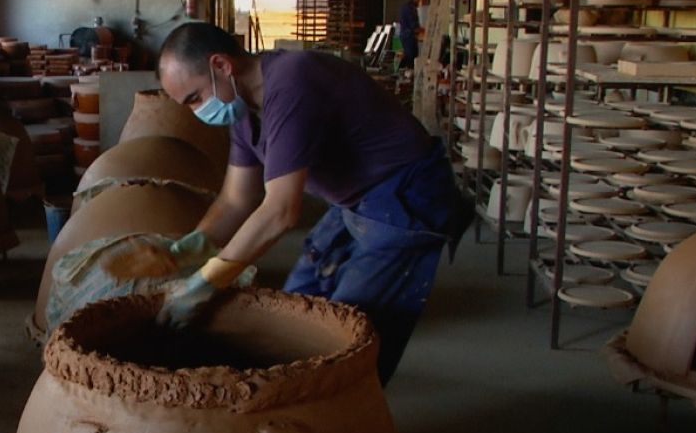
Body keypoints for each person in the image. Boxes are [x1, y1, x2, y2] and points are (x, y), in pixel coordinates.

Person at [155, 22, 471, 386]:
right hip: (354, 200)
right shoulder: (243, 111)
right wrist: (190, 247)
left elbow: (281, 211)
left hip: (405, 193)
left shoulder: (292, 82)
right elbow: (236, 199)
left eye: (194, 98)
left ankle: (341, 422)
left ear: (222, 66)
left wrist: (207, 281)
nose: (196, 111)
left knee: (351, 333)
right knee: (298, 306)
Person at [397, 0, 426, 70]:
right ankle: (408, 72)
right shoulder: (410, 9)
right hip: (409, 36)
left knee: (408, 55)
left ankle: (403, 70)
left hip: (405, 35)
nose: (422, 3)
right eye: (421, 0)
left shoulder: (405, 7)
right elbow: (413, 26)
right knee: (412, 57)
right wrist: (424, 31)